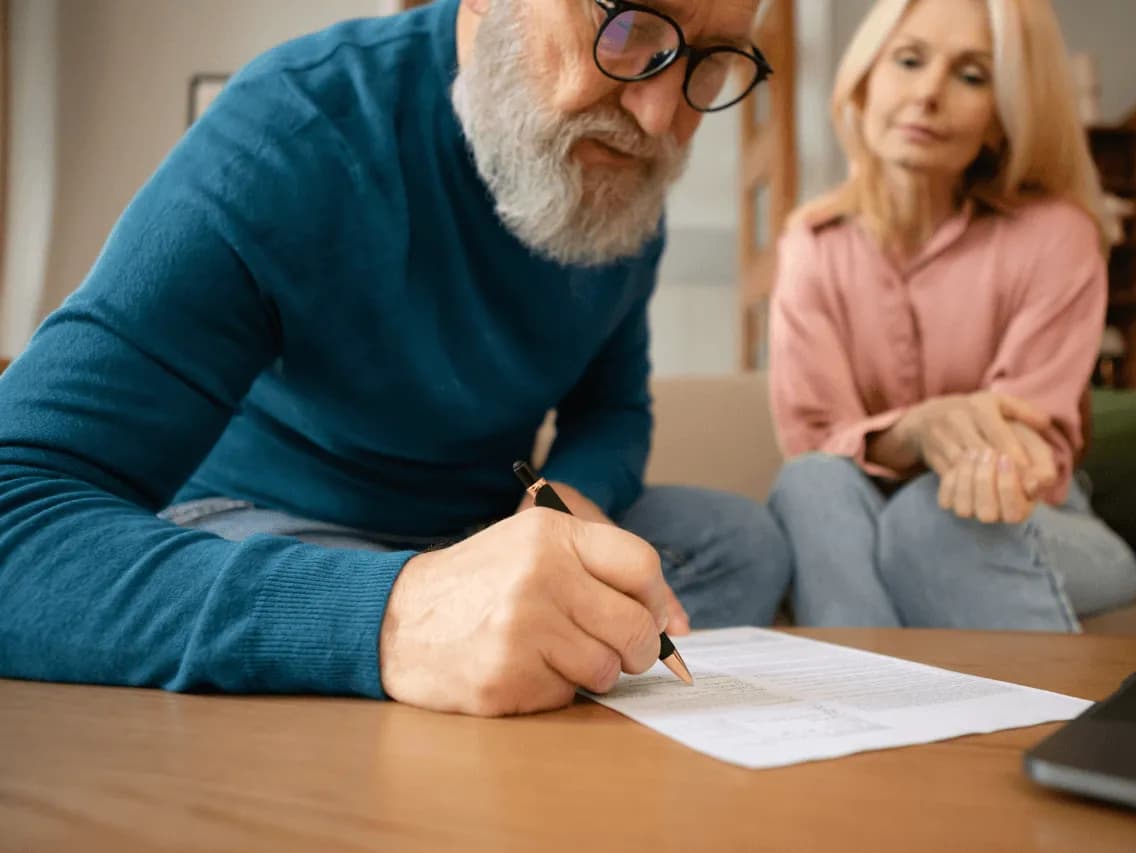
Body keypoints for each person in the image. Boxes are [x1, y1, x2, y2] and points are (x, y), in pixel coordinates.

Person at [0, 0, 791, 717]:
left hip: (477, 527)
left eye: (712, 60)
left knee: (741, 540)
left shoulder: (621, 180)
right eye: (626, 27)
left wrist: (572, 492)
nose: (659, 117)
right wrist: (393, 615)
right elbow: (14, 511)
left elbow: (613, 405)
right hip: (275, 527)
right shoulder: (292, 129)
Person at [766, 0, 1136, 631]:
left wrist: (979, 457)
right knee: (810, 485)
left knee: (930, 519)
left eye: (972, 76)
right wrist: (917, 429)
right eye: (908, 61)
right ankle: (859, 715)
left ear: (1002, 116)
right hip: (859, 511)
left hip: (1034, 516)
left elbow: (1025, 436)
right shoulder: (813, 243)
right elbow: (814, 439)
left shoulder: (1058, 235)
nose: (928, 94)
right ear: (864, 80)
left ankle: (1049, 727)